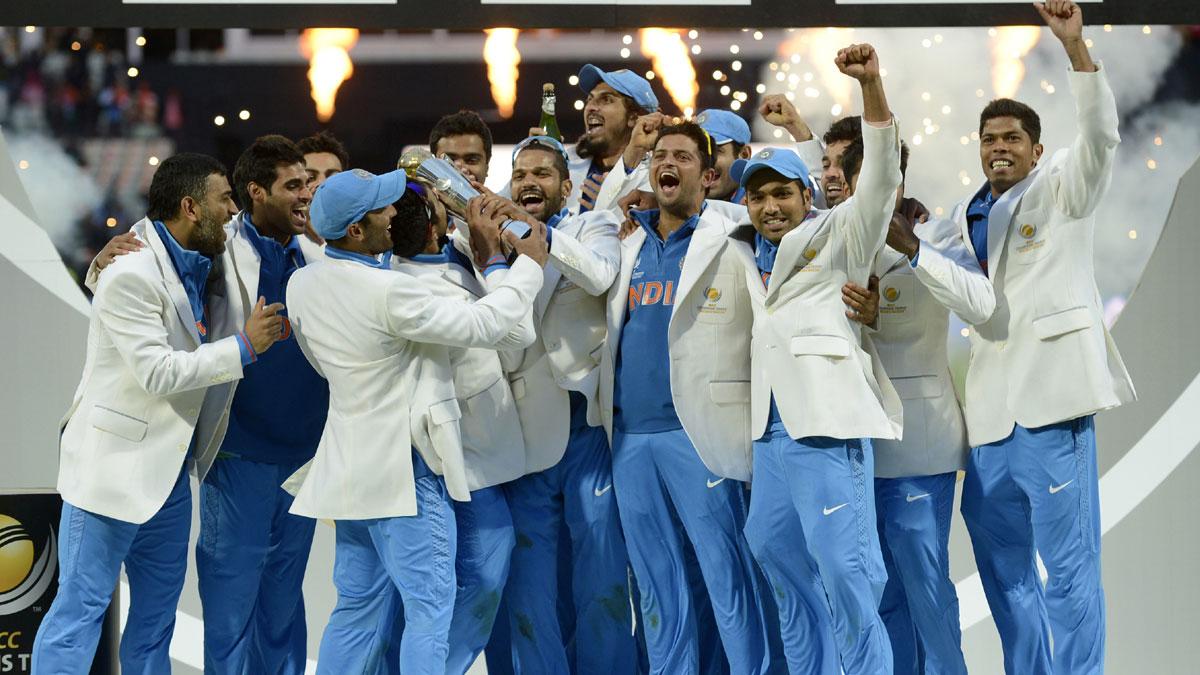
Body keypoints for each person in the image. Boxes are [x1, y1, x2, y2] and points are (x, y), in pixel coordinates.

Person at [285, 168, 548, 674]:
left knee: (355, 611)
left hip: (348, 468)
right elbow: (494, 325)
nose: (392, 214)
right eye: (381, 208)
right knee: (431, 608)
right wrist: (528, 267)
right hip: (404, 474)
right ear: (356, 230)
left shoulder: (303, 282)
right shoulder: (389, 293)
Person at [31, 153, 284, 674]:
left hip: (168, 478)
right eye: (224, 199)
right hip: (109, 473)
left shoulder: (200, 257)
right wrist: (244, 347)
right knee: (79, 615)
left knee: (155, 623)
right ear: (191, 207)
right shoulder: (131, 272)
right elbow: (158, 372)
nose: (234, 210)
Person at [955, 3, 1134, 672]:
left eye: (1010, 138)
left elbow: (1101, 137)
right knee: (1005, 577)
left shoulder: (1065, 188)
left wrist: (1076, 48)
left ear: (1034, 147)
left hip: (1053, 410)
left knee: (1070, 574)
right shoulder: (964, 213)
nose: (997, 147)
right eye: (987, 138)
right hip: (989, 419)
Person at [732, 42, 901, 674]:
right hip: (771, 435)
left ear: (809, 196)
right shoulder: (745, 250)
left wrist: (871, 85)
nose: (770, 206)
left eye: (781, 193)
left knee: (846, 569)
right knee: (771, 547)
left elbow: (880, 177)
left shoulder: (839, 236)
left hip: (827, 428)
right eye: (758, 197)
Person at [598, 121, 772, 673]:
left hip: (698, 436)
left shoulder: (734, 234)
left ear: (709, 173)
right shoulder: (627, 240)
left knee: (728, 580)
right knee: (655, 589)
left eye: (682, 156)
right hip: (629, 441)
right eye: (658, 155)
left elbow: (797, 223)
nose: (666, 162)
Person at [841, 140, 995, 674]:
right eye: (861, 175)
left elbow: (978, 303)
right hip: (854, 451)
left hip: (919, 447)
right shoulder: (831, 239)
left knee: (926, 587)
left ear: (901, 181)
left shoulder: (934, 234)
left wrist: (914, 250)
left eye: (886, 175)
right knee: (879, 595)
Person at [491, 135, 635, 674]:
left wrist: (538, 236)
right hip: (523, 436)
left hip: (586, 433)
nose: (529, 182)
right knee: (531, 592)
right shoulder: (487, 244)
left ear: (567, 186)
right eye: (521, 173)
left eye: (542, 174)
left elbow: (598, 275)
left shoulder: (590, 227)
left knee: (601, 579)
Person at [381, 182, 531, 675]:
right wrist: (498, 263)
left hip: (473, 453)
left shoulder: (448, 256)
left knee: (476, 578)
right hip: (451, 458)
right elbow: (516, 333)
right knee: (464, 582)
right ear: (431, 225)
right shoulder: (410, 286)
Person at [193, 134, 327, 675]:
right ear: (255, 192)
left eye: (308, 185)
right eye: (292, 186)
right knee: (229, 614)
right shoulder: (218, 247)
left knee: (283, 608)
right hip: (239, 456)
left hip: (304, 459)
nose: (304, 196)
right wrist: (104, 261)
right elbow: (153, 245)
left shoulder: (318, 251)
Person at [297, 130, 349, 244]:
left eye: (333, 177)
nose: (322, 183)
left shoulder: (368, 243)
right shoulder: (282, 246)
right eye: (310, 178)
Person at [431, 109, 495, 185]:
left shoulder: (505, 196)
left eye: (471, 160)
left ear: (486, 168)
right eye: (449, 160)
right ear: (432, 166)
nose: (460, 170)